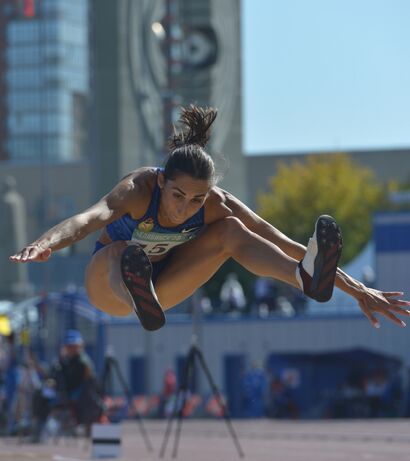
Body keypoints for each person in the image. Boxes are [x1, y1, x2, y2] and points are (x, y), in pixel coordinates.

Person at [10, 106, 410, 331]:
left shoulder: (216, 203)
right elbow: (88, 219)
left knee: (233, 231)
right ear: (162, 181)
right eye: (179, 195)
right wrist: (46, 242)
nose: (186, 208)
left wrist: (358, 290)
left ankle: (300, 280)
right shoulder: (138, 190)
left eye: (197, 199)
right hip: (108, 287)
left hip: (162, 289)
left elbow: (280, 240)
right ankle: (134, 287)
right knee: (119, 249)